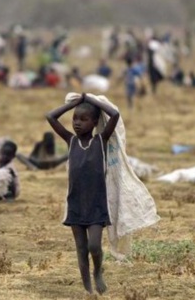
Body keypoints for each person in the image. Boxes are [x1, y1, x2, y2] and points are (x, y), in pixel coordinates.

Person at [46, 93, 120, 295]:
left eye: (83, 119)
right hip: (76, 203)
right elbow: (50, 116)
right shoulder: (71, 141)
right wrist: (75, 103)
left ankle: (97, 271)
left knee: (94, 247)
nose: (77, 123)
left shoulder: (100, 141)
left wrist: (91, 100)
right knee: (81, 249)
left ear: (95, 122)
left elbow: (114, 115)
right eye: (75, 119)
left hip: (96, 204)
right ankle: (88, 289)